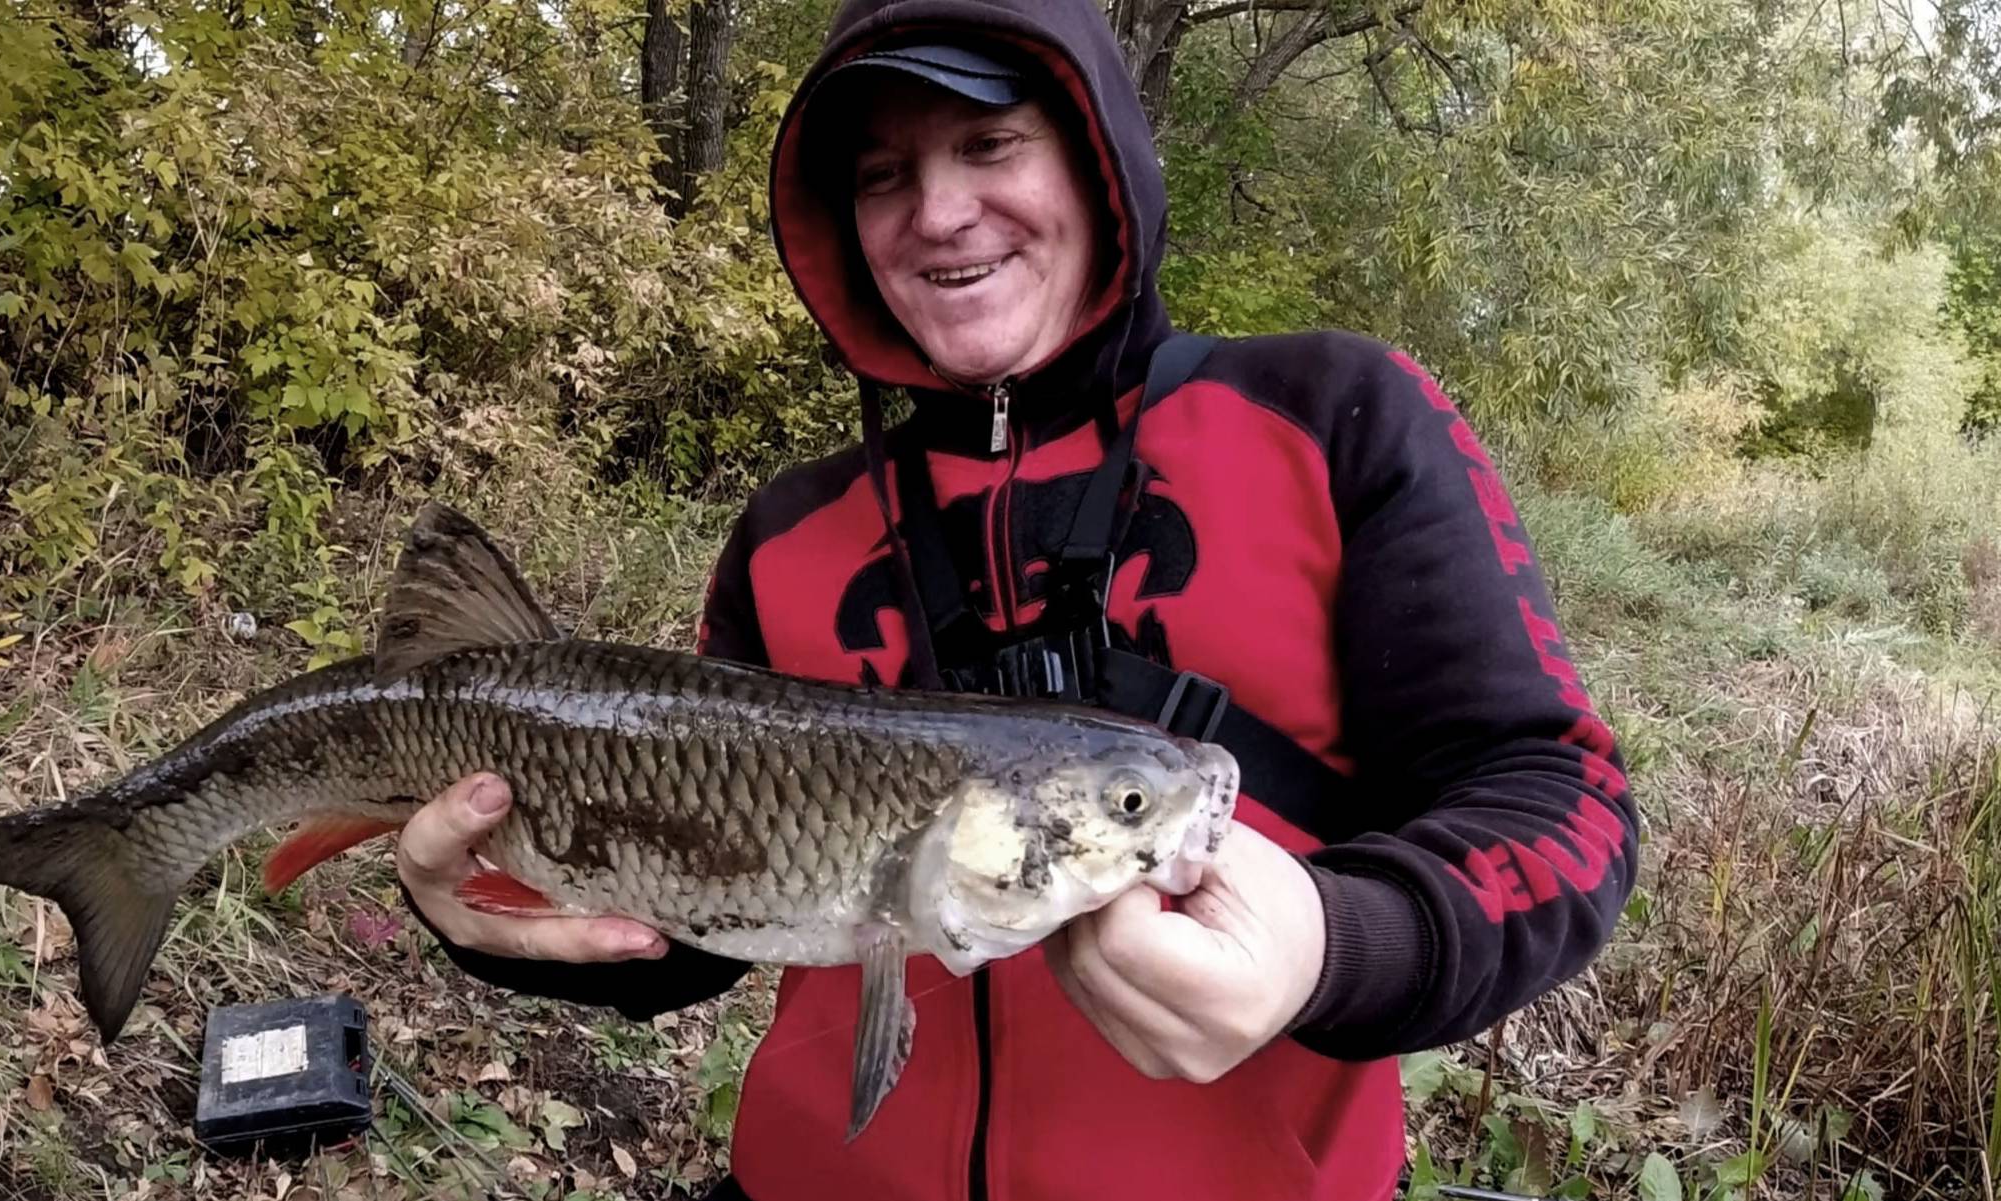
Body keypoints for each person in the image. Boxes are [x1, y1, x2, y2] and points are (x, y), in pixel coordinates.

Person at [395, 2, 1640, 1198]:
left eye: (990, 142)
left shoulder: (1334, 419)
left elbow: (1562, 803)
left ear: (1099, 158)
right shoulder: (784, 532)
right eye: (883, 174)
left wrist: (1335, 943)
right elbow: (721, 918)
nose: (937, 213)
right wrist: (507, 913)